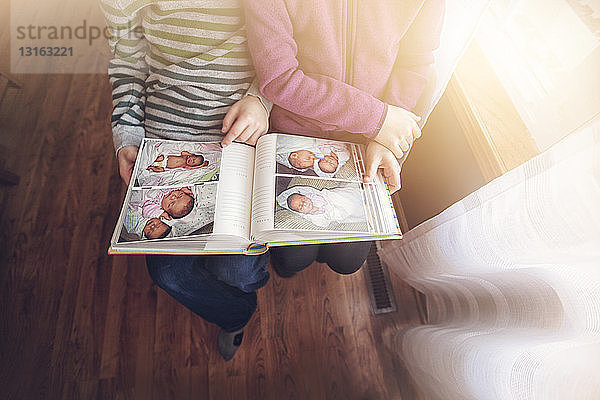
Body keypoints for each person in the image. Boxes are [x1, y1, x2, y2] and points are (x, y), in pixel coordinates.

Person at [102, 0, 272, 361]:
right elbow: (127, 62)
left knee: (237, 268)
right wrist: (127, 136)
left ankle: (247, 282)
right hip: (165, 131)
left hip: (238, 123)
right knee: (167, 273)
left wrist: (260, 98)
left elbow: (287, 44)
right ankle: (236, 314)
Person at [244, 0, 445, 277]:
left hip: (368, 138)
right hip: (296, 132)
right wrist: (376, 118)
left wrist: (383, 134)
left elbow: (416, 60)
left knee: (347, 261)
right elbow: (279, 78)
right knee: (292, 259)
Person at [277, 184, 367, 228]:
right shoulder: (313, 217)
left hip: (335, 198)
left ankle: (364, 194)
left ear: (305, 196)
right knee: (354, 209)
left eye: (303, 200)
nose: (304, 204)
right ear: (301, 213)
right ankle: (365, 209)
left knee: (349, 197)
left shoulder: (314, 196)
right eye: (300, 207)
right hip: (337, 212)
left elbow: (326, 197)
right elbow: (324, 223)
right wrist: (322, 212)